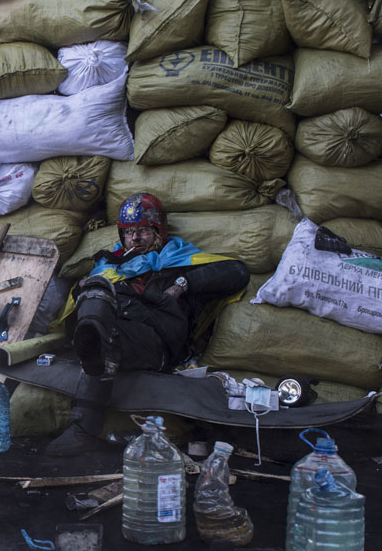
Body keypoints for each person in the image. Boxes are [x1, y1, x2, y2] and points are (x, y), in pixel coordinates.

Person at [45, 192, 250, 457]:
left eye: (142, 231)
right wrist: (82, 289)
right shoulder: (111, 264)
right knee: (95, 289)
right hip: (117, 328)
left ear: (158, 230)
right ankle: (95, 346)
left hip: (158, 338)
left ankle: (84, 427)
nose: (135, 239)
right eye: (129, 232)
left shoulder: (178, 259)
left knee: (103, 337)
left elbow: (237, 272)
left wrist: (181, 285)